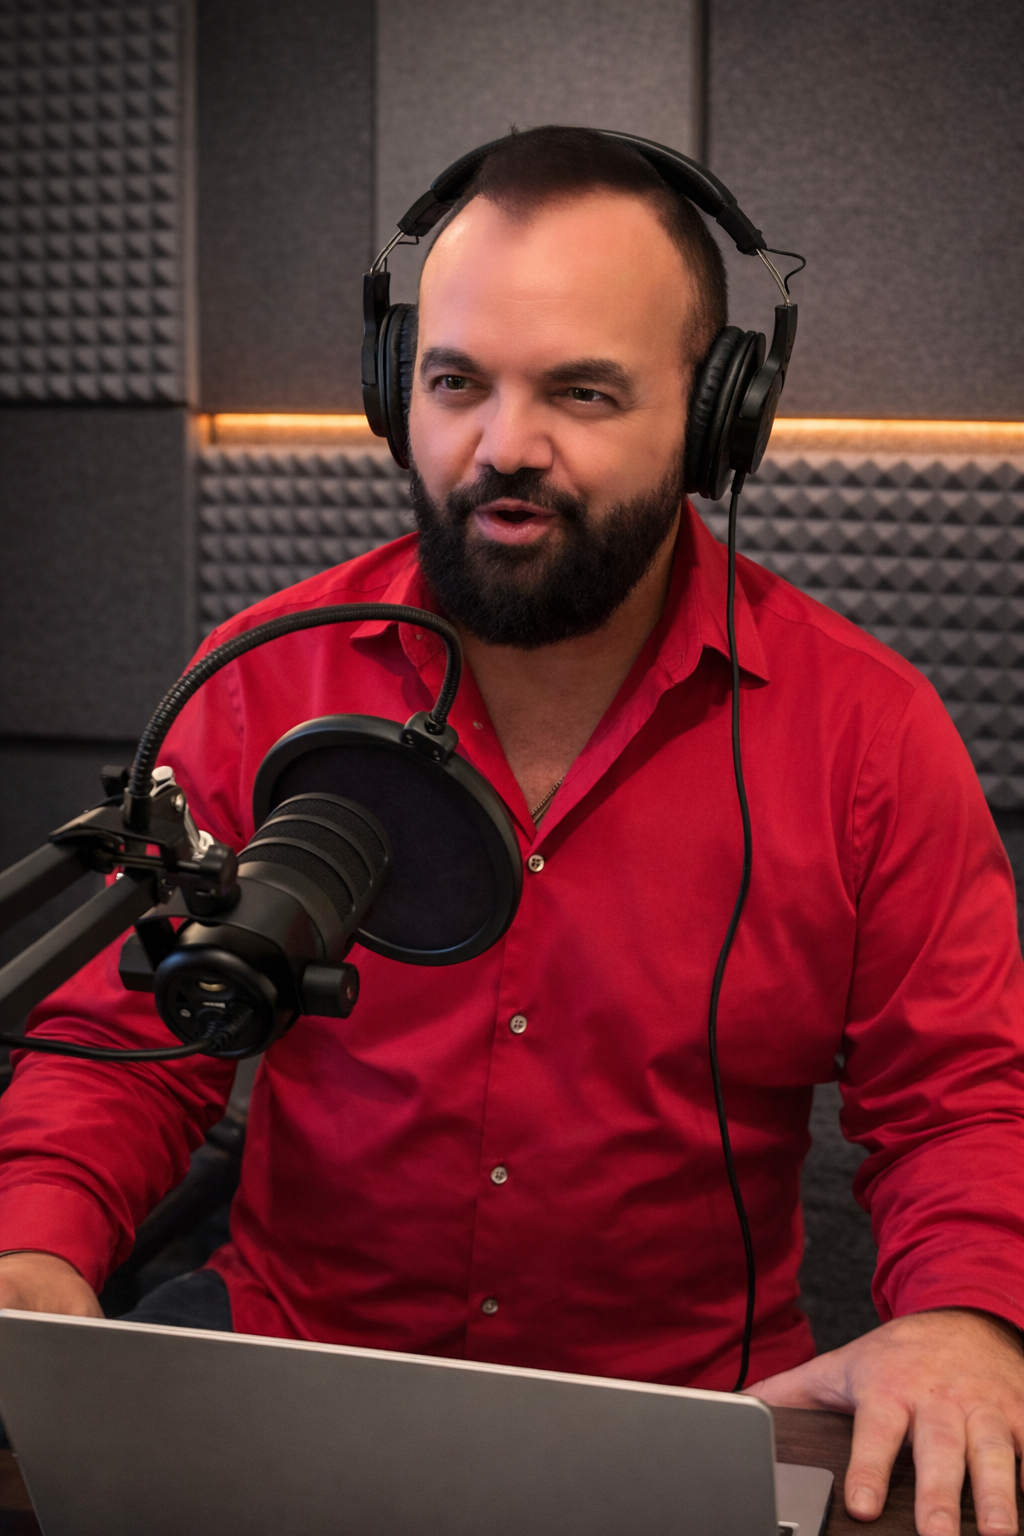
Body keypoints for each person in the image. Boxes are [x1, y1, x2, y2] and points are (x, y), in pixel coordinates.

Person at [0, 127, 1022, 1536]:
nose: (503, 448)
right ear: (393, 390)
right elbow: (130, 1042)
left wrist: (965, 1315)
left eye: (583, 391)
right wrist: (35, 1250)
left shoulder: (868, 735)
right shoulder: (261, 678)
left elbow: (960, 1098)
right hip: (284, 1381)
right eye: (456, 382)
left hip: (692, 1429)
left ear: (719, 414)